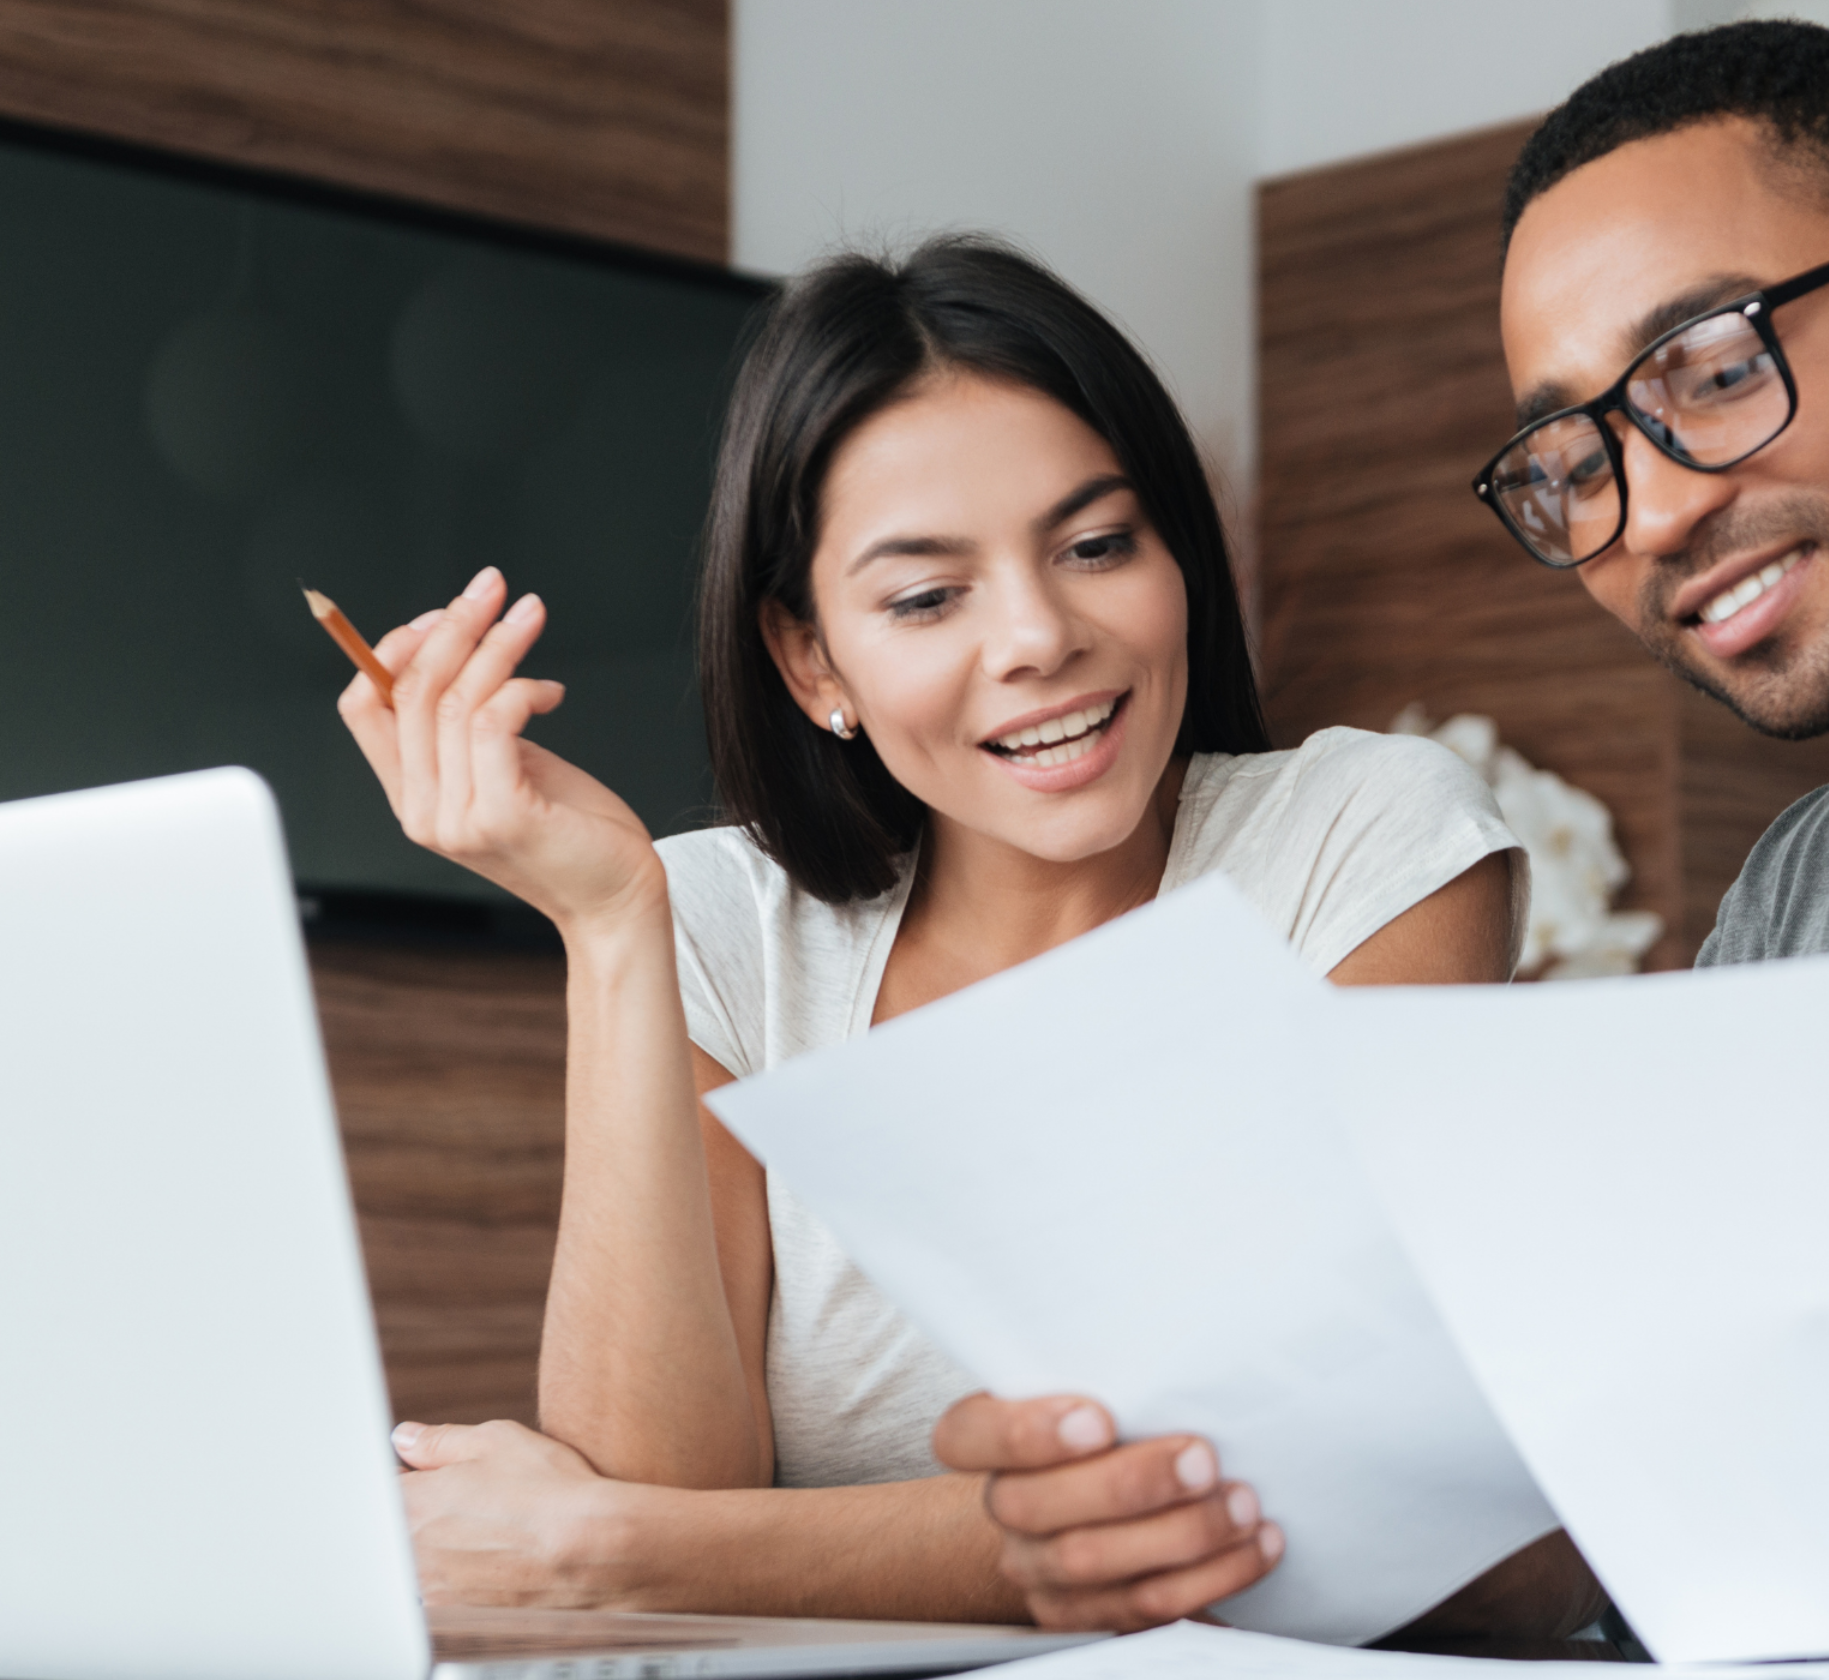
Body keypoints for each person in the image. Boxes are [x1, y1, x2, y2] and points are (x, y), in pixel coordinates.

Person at [954, 20, 1829, 1675]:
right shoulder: (1797, 896)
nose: (1647, 517)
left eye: (1711, 368)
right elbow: (1648, 1536)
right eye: (1572, 462)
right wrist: (1204, 1523)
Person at [333, 236, 1586, 1631]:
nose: (1040, 636)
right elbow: (657, 1482)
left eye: (1098, 545)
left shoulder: (1363, 840)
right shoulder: (723, 921)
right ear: (813, 660)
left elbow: (1279, 1493)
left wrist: (611, 1552)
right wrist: (611, 925)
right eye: (929, 596)